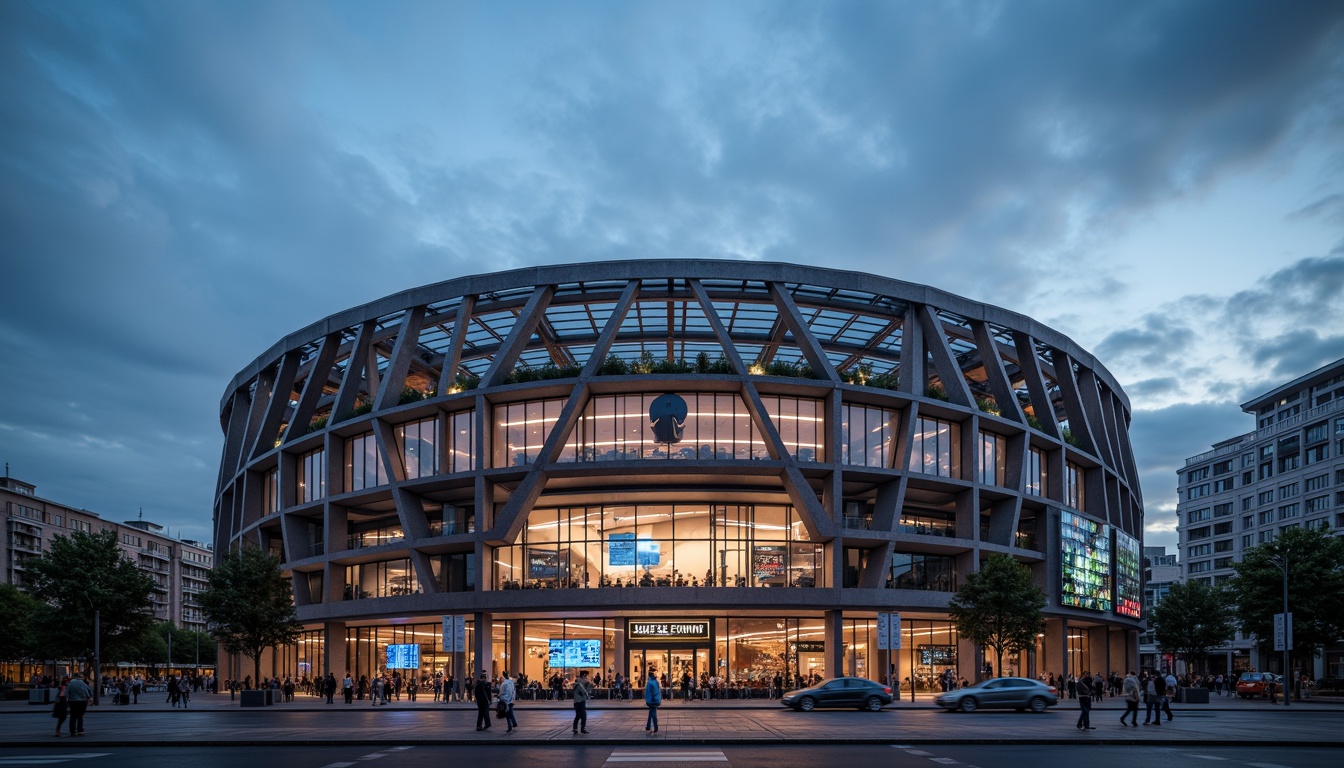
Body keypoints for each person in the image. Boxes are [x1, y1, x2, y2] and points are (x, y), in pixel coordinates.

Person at [644, 669, 662, 733]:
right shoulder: (656, 681)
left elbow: (650, 692)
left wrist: (649, 698)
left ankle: (655, 727)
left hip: (652, 700)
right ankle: (648, 726)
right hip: (656, 699)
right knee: (651, 712)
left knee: (653, 713)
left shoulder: (650, 682)